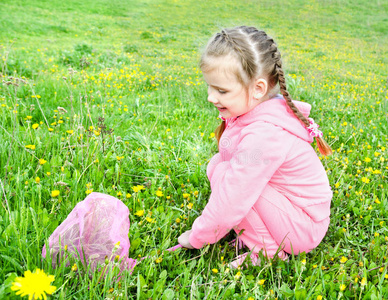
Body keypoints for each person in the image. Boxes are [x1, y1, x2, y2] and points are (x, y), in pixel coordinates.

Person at [178, 26, 333, 267]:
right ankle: (253, 233)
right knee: (218, 166)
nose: (210, 96)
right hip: (292, 214)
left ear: (258, 88)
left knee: (232, 182)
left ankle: (267, 252)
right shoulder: (256, 111)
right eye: (210, 86)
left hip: (302, 227)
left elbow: (233, 196)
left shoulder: (265, 134)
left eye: (221, 90)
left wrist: (198, 236)